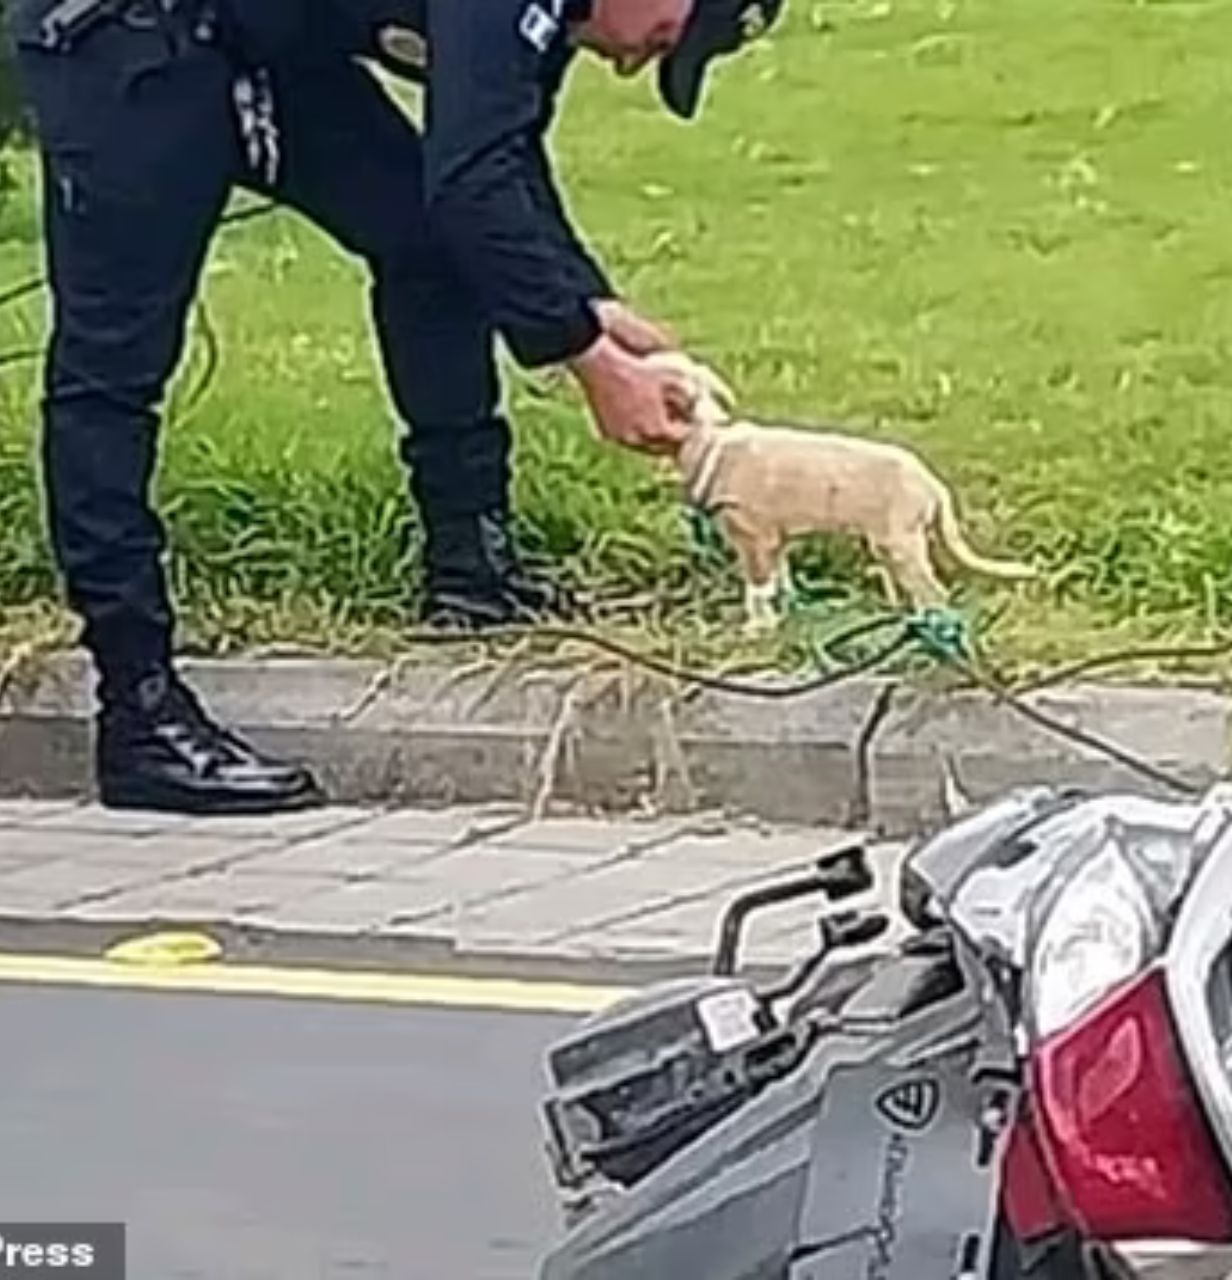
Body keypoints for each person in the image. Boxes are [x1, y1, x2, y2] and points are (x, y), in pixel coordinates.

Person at [3, 0, 782, 814]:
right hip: (125, 38)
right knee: (111, 374)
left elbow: (497, 161)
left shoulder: (552, 16)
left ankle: (471, 574)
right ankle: (139, 713)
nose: (636, 66)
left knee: (432, 251)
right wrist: (587, 359)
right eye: (664, 40)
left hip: (255, 40)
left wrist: (588, 301)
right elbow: (474, 186)